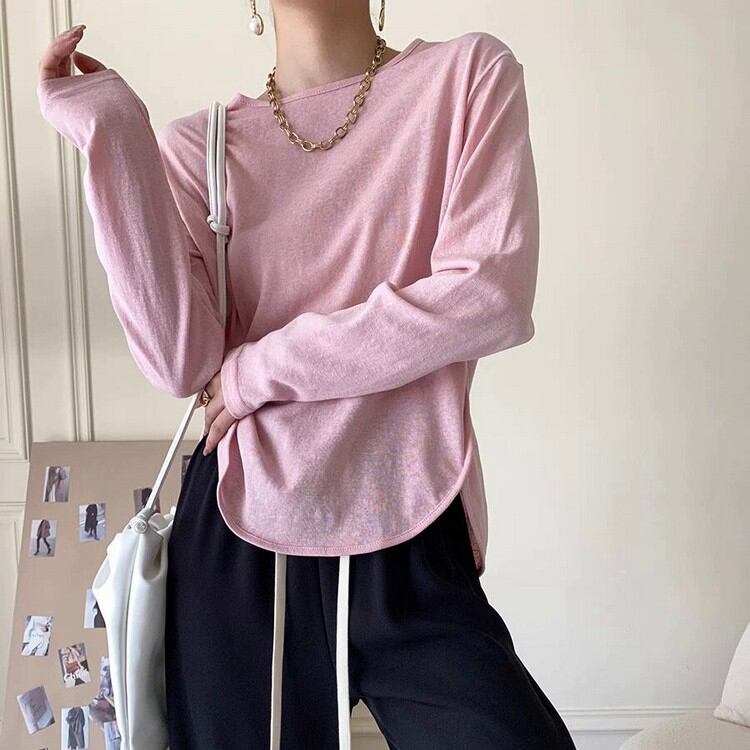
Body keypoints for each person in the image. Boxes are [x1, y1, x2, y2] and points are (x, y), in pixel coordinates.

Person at [36, 2, 575, 749]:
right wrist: (112, 132)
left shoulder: (467, 76)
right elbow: (180, 361)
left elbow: (489, 296)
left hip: (409, 521)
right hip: (241, 533)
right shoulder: (200, 146)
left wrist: (259, 369)